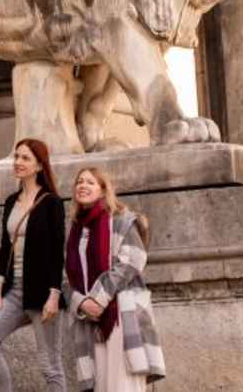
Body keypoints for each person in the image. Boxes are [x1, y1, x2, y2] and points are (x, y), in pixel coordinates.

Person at [0, 138, 67, 392]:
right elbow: (6, 247)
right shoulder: (10, 201)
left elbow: (57, 252)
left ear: (39, 165)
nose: (18, 162)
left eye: (25, 158)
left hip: (43, 293)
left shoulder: (52, 203)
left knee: (50, 366)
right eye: (16, 156)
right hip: (13, 292)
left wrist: (54, 294)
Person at [65, 167, 166, 391]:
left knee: (123, 384)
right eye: (79, 182)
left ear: (102, 189)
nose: (82, 185)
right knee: (101, 384)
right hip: (89, 322)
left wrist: (98, 299)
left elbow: (133, 260)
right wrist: (81, 302)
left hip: (121, 313)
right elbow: (66, 277)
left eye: (90, 182)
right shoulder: (74, 231)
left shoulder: (120, 220)